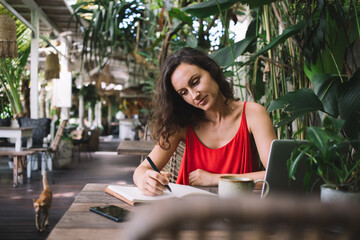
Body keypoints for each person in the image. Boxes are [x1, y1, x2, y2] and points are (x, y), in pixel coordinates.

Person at [133, 47, 276, 196]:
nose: (194, 95)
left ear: (211, 71)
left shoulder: (252, 114)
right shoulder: (182, 124)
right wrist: (146, 179)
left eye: (195, 82)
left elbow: (276, 175)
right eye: (184, 93)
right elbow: (141, 170)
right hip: (188, 212)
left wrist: (215, 178)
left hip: (239, 213)